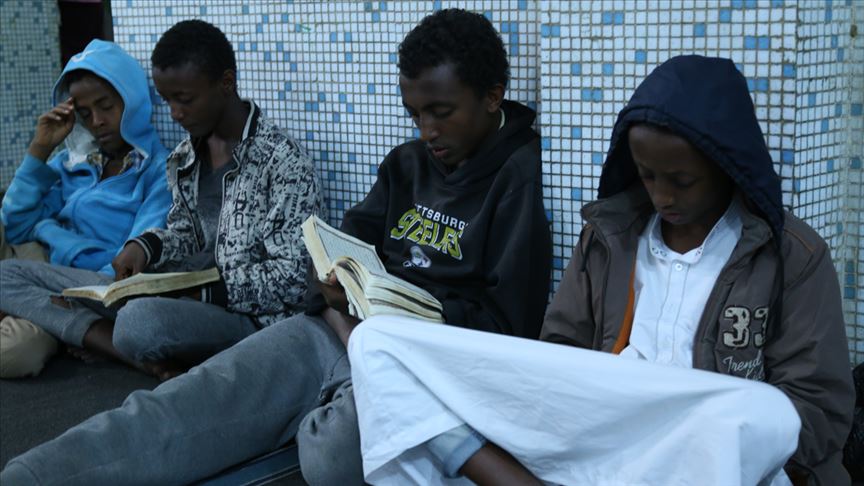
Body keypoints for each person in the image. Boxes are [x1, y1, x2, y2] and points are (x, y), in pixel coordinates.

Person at [0, 9, 551, 486]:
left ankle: (305, 413)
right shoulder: (407, 164)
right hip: (331, 330)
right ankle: (28, 476)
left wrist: (397, 315)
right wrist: (335, 281)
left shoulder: (518, 177)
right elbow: (339, 244)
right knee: (178, 407)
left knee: (329, 458)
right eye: (415, 114)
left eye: (441, 112)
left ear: (492, 96)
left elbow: (508, 327)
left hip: (414, 359)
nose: (426, 131)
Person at [347, 55, 856, 485]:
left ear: (728, 166)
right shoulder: (611, 236)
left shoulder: (792, 256)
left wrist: (713, 430)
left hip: (712, 452)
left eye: (681, 181)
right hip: (604, 435)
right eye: (648, 175)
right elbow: (561, 354)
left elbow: (817, 412)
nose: (662, 196)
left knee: (756, 413)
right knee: (379, 346)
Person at [0, 20, 322, 380]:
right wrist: (146, 247)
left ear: (226, 83)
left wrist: (203, 291)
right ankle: (116, 337)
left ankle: (113, 341)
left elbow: (294, 278)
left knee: (139, 323)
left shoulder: (282, 161)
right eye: (168, 101)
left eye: (185, 100)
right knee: (6, 274)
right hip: (179, 297)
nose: (175, 113)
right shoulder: (185, 156)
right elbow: (184, 236)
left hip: (249, 318)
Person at [0, 39, 172, 378]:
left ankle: (34, 313)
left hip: (80, 288)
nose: (97, 121)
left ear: (132, 100)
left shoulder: (159, 172)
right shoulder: (75, 160)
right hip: (33, 258)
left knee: (15, 353)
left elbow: (131, 264)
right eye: (84, 113)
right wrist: (39, 150)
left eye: (106, 106)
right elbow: (16, 224)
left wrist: (74, 295)